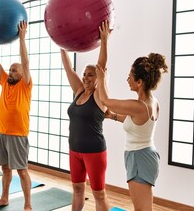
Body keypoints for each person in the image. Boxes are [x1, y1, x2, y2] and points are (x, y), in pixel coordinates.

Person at [96, 53, 168, 211]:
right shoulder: (152, 102)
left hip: (139, 158)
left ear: (140, 82)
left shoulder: (139, 106)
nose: (127, 79)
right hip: (146, 154)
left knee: (142, 210)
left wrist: (101, 79)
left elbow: (106, 101)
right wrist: (113, 116)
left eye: (130, 76)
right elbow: (137, 123)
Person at [61, 20, 111, 211]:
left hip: (95, 152)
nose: (86, 77)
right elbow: (68, 68)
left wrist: (104, 41)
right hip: (74, 150)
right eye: (85, 74)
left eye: (90, 75)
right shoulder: (79, 91)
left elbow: (101, 65)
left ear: (97, 77)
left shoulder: (99, 95)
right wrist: (61, 45)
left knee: (99, 194)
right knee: (76, 189)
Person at [0, 20, 33, 211]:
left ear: (22, 73)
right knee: (5, 169)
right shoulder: (5, 81)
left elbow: (25, 61)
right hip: (3, 131)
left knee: (22, 170)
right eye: (11, 69)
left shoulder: (25, 84)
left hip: (18, 133)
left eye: (15, 70)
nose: (11, 72)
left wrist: (22, 38)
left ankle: (28, 205)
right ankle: (4, 198)